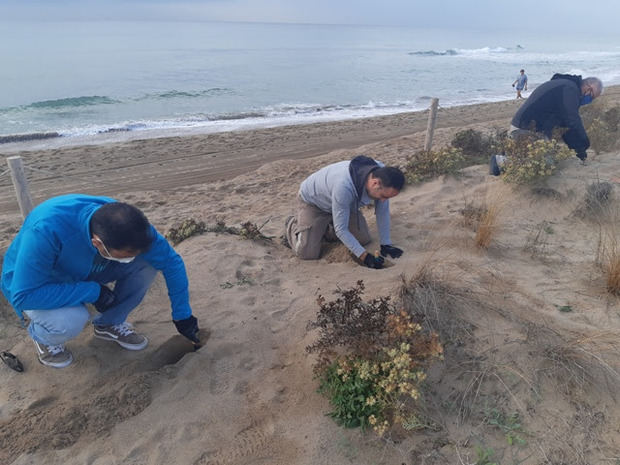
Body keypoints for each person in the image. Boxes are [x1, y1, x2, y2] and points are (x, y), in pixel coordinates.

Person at [1, 194, 200, 368]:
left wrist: (182, 315)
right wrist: (93, 292)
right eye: (124, 255)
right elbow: (24, 295)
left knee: (147, 265)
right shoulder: (46, 230)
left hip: (89, 268)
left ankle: (109, 324)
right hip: (39, 283)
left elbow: (172, 263)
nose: (128, 258)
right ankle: (43, 339)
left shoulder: (132, 226)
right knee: (72, 320)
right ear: (97, 243)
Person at [285, 155, 405, 269]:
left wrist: (386, 244)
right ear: (375, 183)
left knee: (363, 239)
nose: (384, 200)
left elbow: (382, 212)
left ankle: (326, 226)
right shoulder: (343, 186)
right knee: (307, 253)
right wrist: (364, 257)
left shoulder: (384, 176)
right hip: (314, 203)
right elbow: (341, 229)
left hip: (345, 204)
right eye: (383, 196)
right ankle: (291, 224)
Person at [490, 74, 603, 175]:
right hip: (524, 129)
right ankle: (499, 161)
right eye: (592, 97)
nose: (590, 100)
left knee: (552, 161)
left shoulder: (566, 88)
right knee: (544, 164)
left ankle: (513, 156)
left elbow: (565, 127)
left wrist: (578, 149)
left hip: (532, 131)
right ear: (589, 88)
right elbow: (572, 119)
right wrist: (584, 142)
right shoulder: (570, 89)